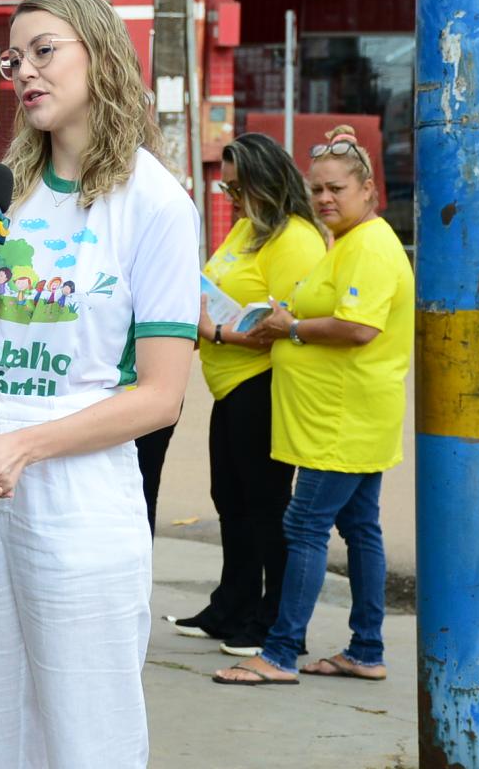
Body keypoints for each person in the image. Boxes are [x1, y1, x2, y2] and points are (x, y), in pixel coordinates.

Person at [0, 0, 200, 767]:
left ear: (101, 54)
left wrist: (22, 449)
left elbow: (160, 395)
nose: (25, 72)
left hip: (77, 492)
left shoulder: (155, 204)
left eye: (45, 50)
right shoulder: (0, 198)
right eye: (15, 59)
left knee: (88, 726)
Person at [212, 124, 413, 687]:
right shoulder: (346, 242)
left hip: (341, 418)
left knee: (303, 526)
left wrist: (290, 326)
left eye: (337, 189)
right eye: (318, 188)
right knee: (359, 528)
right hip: (341, 415)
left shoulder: (370, 246)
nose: (325, 198)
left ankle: (278, 654)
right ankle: (365, 649)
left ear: (368, 189)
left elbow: (357, 326)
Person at [165, 133, 326, 657]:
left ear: (266, 182)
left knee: (265, 504)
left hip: (265, 382)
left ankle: (273, 618)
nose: (231, 198)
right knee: (229, 499)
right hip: (231, 384)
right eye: (225, 187)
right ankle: (231, 604)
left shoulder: (294, 239)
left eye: (238, 188)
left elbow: (286, 324)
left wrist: (212, 332)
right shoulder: (246, 230)